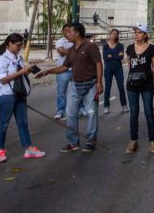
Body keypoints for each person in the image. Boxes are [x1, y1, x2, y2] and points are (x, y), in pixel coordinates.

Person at [36, 22, 103, 153]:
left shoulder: (90, 46)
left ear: (77, 32)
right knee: (71, 114)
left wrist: (99, 83)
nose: (67, 34)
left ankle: (90, 141)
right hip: (75, 85)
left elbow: (98, 64)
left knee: (91, 113)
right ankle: (73, 142)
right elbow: (65, 67)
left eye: (70, 32)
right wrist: (48, 71)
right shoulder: (72, 50)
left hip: (90, 85)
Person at [0, 33, 46, 162]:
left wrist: (28, 70)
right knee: (4, 124)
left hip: (20, 94)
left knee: (23, 123)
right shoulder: (3, 59)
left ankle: (28, 148)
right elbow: (2, 80)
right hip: (7, 95)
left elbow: (23, 73)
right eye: (17, 45)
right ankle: (1, 150)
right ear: (9, 44)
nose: (19, 47)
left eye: (21, 45)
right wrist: (20, 73)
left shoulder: (19, 58)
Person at [125, 24, 154, 154]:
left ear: (145, 35)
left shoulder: (152, 48)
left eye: (139, 32)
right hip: (132, 85)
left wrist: (151, 79)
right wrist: (135, 77)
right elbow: (129, 65)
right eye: (136, 33)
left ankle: (152, 141)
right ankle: (133, 141)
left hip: (147, 85)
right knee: (133, 113)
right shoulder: (129, 48)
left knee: (148, 112)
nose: (136, 35)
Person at [102, 28, 128, 114]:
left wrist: (111, 56)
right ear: (110, 34)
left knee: (121, 87)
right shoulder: (105, 46)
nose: (114, 35)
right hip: (108, 69)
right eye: (113, 33)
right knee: (107, 88)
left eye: (116, 34)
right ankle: (106, 106)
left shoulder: (120, 45)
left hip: (118, 69)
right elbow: (105, 58)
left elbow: (121, 57)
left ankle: (124, 106)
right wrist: (115, 56)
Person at [53, 23, 75, 120]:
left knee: (78, 91)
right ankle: (60, 111)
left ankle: (80, 109)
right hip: (63, 70)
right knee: (61, 92)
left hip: (75, 70)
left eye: (69, 30)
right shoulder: (60, 42)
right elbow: (62, 52)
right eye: (65, 30)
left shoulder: (75, 41)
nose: (67, 32)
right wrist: (75, 49)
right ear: (63, 31)